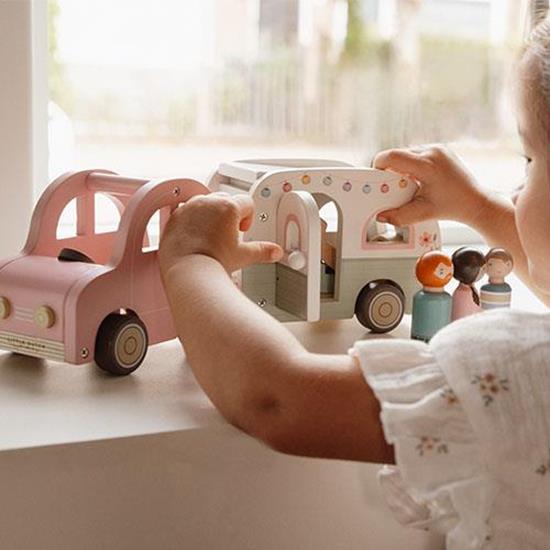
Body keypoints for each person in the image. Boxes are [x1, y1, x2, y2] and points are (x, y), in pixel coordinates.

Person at [159, 15, 550, 550]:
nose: (517, 183)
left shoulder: (519, 374)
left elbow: (278, 398)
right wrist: (477, 207)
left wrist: (191, 260)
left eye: (529, 161)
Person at [411, 251, 453, 342]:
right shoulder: (420, 297)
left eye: (450, 270)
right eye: (442, 271)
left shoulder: (446, 298)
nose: (448, 274)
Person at [451, 246, 486, 320]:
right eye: (482, 269)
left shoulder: (469, 289)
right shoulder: (463, 294)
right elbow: (462, 316)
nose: (485, 271)